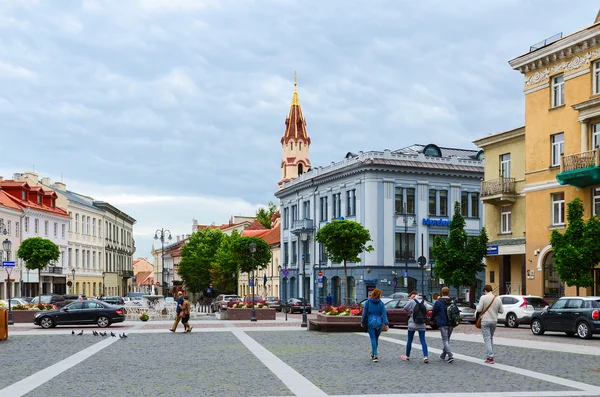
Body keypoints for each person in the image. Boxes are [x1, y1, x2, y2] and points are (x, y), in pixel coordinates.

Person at [476, 284, 504, 364]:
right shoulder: (497, 298)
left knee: (487, 338)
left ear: (485, 290)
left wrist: (477, 306)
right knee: (490, 338)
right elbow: (501, 311)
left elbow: (479, 309)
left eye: (484, 291)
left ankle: (490, 357)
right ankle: (489, 356)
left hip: (485, 320)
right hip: (494, 320)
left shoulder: (483, 298)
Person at [360, 288, 389, 363]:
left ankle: (375, 354)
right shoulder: (381, 303)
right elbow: (384, 314)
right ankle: (373, 353)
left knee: (372, 338)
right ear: (379, 295)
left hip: (370, 321)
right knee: (376, 338)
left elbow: (364, 313)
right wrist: (386, 324)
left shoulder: (368, 302)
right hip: (379, 322)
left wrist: (362, 322)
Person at [401, 290, 429, 363]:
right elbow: (428, 309)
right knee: (423, 340)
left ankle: (407, 356)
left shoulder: (412, 301)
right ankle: (425, 357)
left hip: (412, 323)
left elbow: (405, 308)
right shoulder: (424, 301)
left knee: (409, 340)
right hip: (422, 323)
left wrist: (411, 301)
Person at [431, 287, 453, 363]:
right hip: (451, 323)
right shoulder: (452, 301)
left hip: (442, 323)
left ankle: (450, 356)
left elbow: (434, 312)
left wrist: (431, 319)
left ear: (441, 292)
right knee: (447, 339)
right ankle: (443, 355)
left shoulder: (438, 302)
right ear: (449, 292)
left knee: (445, 339)